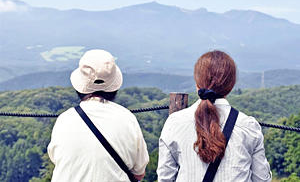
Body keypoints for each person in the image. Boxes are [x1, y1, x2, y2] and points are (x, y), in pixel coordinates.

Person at [157, 50, 272, 182]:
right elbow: (262, 179)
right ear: (231, 85)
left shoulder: (174, 123)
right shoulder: (248, 126)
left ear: (197, 83)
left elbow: (165, 178)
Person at [48, 49, 149, 181]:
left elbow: (58, 160)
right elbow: (139, 173)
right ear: (114, 87)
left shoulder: (64, 120)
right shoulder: (127, 118)